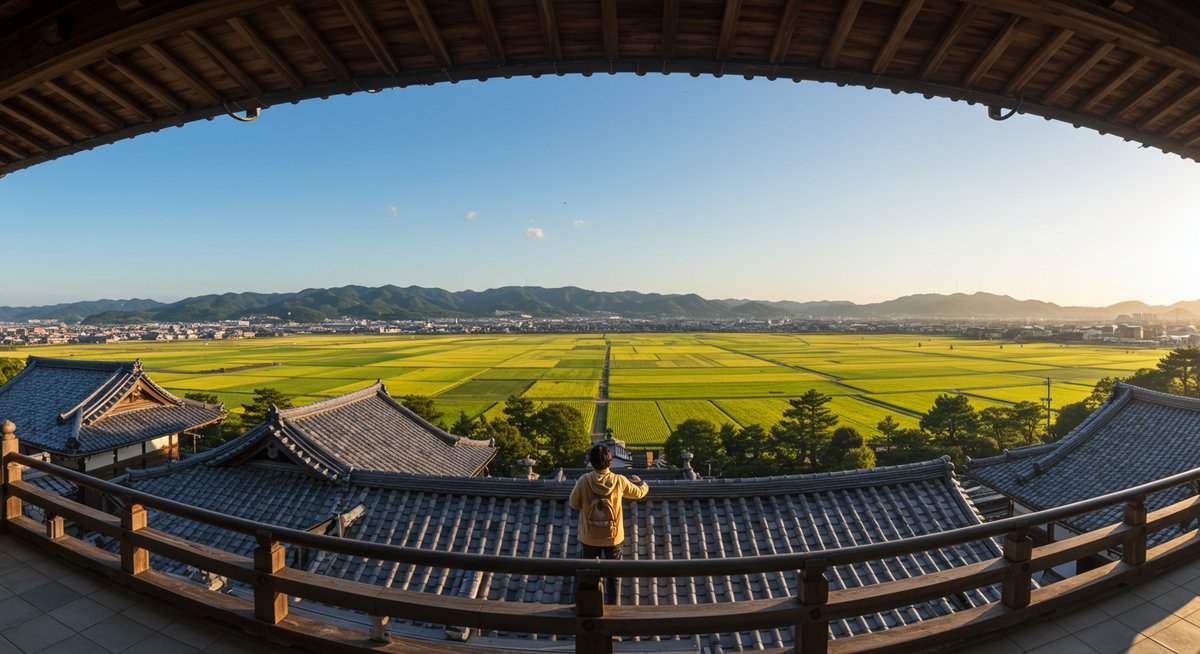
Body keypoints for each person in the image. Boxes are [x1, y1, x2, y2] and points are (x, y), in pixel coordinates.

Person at [569, 444, 649, 605]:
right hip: (613, 537)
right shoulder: (619, 480)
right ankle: (614, 607)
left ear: (591, 462)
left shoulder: (584, 480)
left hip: (589, 536)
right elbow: (638, 493)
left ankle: (590, 606)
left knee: (589, 574)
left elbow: (574, 503)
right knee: (614, 576)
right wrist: (643, 484)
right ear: (610, 462)